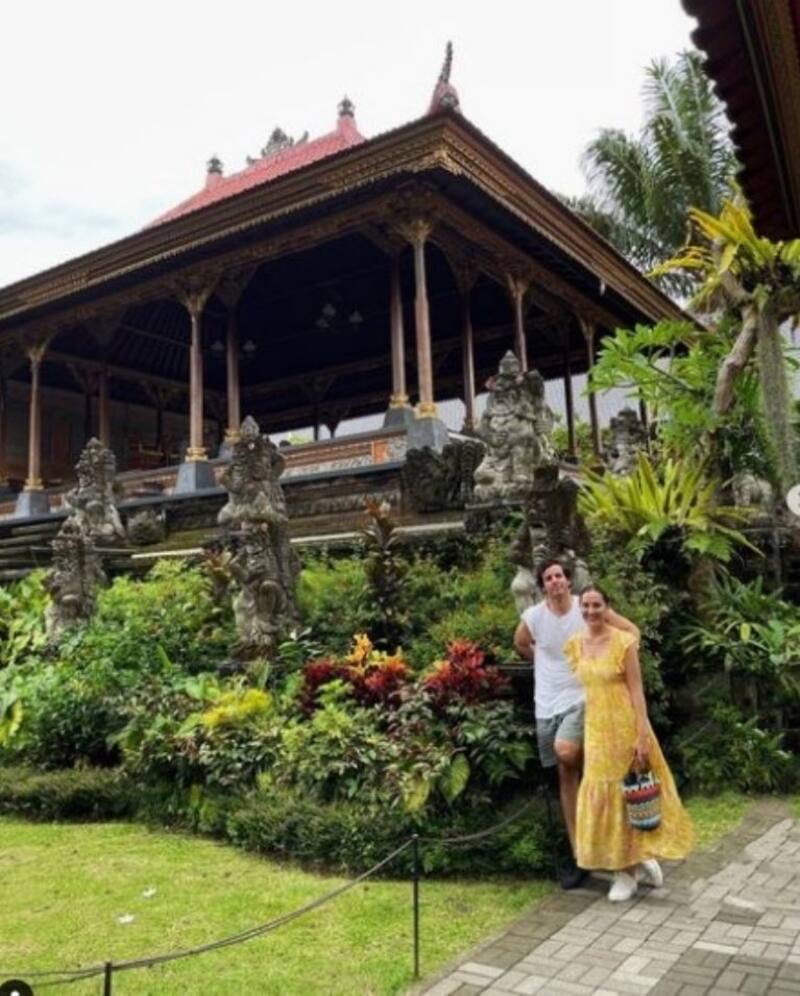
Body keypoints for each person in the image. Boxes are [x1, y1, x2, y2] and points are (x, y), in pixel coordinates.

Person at [513, 559, 639, 889]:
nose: (555, 581)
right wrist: (541, 662)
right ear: (543, 586)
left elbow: (629, 632)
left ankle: (617, 828)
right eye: (548, 577)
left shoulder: (585, 608)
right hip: (546, 702)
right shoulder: (534, 617)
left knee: (567, 750)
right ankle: (580, 852)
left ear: (568, 581)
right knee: (564, 772)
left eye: (559, 576)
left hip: (581, 697)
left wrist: (608, 663)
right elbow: (521, 642)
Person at [564, 584, 695, 901]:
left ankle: (627, 874)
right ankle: (637, 858)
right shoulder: (575, 645)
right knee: (602, 794)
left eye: (597, 605)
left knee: (629, 796)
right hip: (596, 731)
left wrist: (641, 735)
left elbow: (637, 691)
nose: (591, 611)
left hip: (625, 728)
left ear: (607, 607)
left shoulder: (624, 642)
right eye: (586, 606)